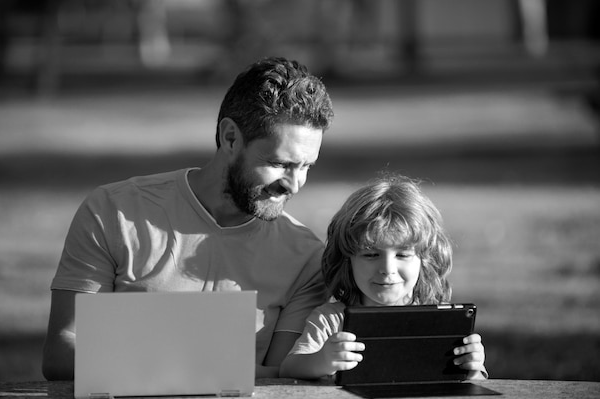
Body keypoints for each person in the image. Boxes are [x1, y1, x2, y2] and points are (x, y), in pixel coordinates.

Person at [42, 56, 334, 381]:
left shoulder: (305, 257)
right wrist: (198, 371)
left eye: (306, 166)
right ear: (230, 138)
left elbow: (285, 380)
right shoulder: (114, 212)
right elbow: (62, 354)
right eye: (281, 164)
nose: (295, 184)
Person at [279, 173, 488, 380]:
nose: (387, 269)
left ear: (425, 260)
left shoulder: (439, 321)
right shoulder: (331, 320)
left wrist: (472, 368)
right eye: (371, 254)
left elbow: (474, 386)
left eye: (403, 254)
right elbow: (289, 369)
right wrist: (321, 360)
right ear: (346, 260)